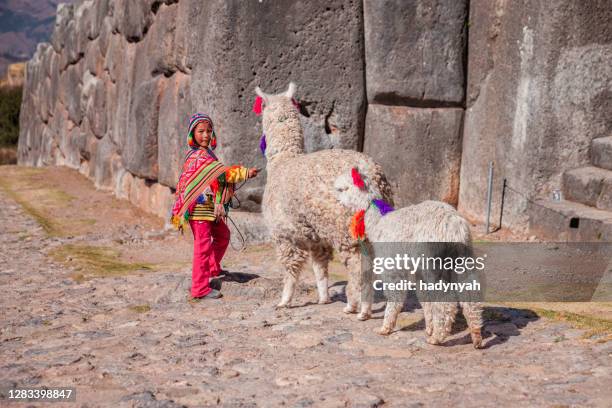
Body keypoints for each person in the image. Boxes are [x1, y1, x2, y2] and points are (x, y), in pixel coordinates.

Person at [171, 113, 258, 300]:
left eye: (209, 131)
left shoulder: (209, 155)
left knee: (223, 235)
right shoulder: (197, 157)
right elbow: (224, 174)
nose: (205, 135)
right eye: (201, 131)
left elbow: (219, 177)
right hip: (199, 208)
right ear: (192, 134)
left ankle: (212, 268)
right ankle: (199, 288)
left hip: (211, 207)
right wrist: (245, 172)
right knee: (202, 246)